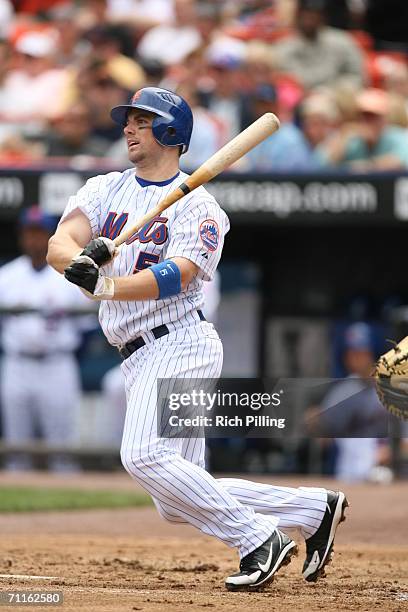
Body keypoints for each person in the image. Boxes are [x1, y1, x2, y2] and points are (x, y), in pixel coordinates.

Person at [47, 86, 348, 590]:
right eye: (129, 120)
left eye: (142, 121)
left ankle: (258, 538)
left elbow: (177, 275)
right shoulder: (105, 188)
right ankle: (313, 509)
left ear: (170, 131)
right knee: (175, 498)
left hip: (179, 343)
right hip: (135, 352)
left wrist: (106, 284)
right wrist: (79, 259)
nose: (128, 128)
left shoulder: (201, 207)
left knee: (143, 457)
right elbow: (61, 241)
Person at [0, 206, 91, 472]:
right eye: (29, 233)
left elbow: (86, 330)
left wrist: (69, 356)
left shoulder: (70, 276)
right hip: (17, 364)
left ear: (52, 236)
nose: (34, 240)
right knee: (16, 450)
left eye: (40, 233)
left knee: (62, 450)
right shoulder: (6, 276)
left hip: (57, 364)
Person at [274, 0, 363, 90]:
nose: (309, 20)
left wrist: (333, 91)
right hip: (298, 96)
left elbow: (356, 75)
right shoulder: (284, 46)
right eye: (305, 15)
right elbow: (279, 78)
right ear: (297, 17)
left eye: (314, 15)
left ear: (323, 17)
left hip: (335, 94)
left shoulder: (342, 40)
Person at [320, 88, 408, 170]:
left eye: (373, 116)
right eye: (364, 116)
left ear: (384, 119)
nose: (368, 121)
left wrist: (367, 166)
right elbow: (323, 165)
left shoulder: (398, 136)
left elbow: (401, 161)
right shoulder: (352, 139)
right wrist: (344, 138)